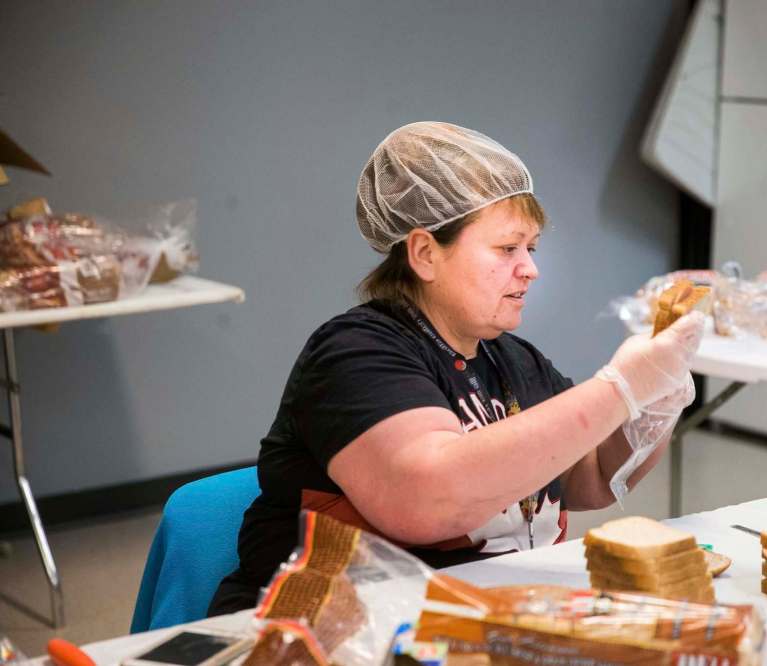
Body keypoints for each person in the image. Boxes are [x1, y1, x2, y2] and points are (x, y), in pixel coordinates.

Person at [208, 122, 704, 614]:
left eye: (531, 248)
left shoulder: (514, 359)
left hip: (475, 621)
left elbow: (591, 479)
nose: (530, 269)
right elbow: (427, 501)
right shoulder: (354, 353)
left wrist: (656, 399)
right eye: (507, 248)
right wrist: (619, 389)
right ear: (425, 254)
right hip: (322, 630)